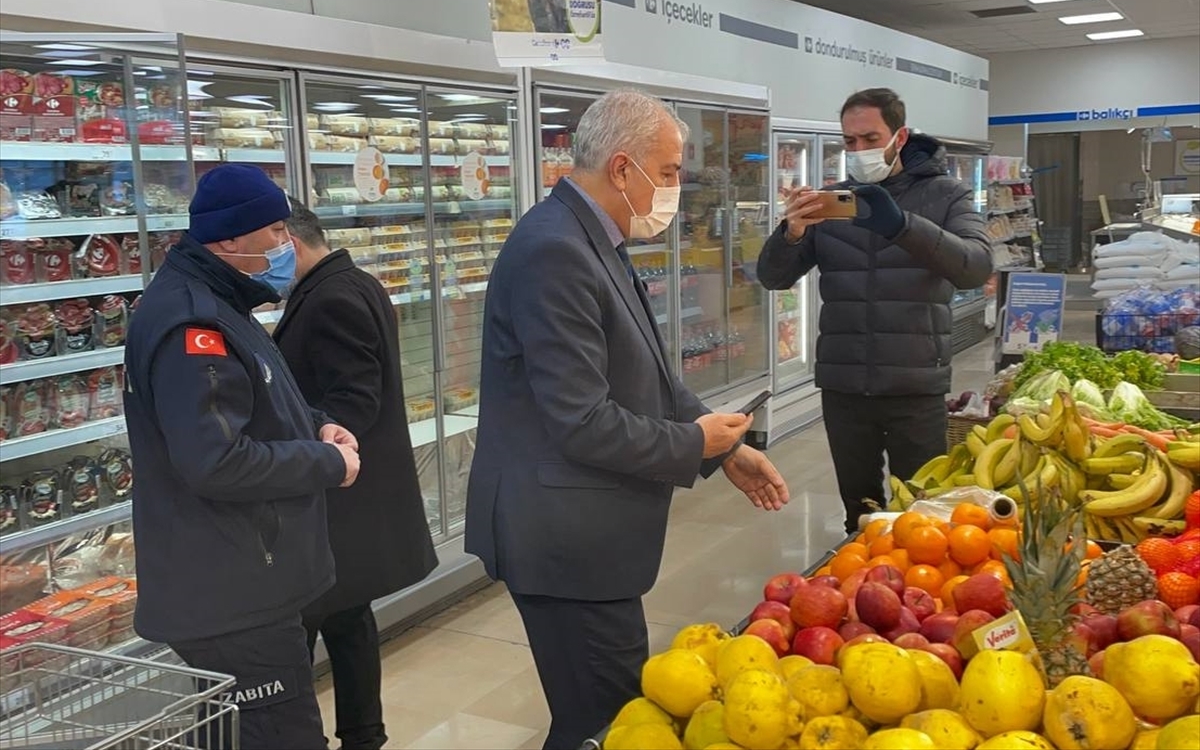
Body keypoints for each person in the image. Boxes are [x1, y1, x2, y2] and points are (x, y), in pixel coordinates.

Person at [465, 88, 791, 750]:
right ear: (622, 168)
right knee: (607, 724)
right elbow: (581, 419)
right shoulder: (555, 250)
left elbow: (648, 374)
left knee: (608, 715)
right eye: (667, 172)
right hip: (563, 542)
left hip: (587, 536)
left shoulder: (593, 238)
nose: (674, 189)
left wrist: (723, 448)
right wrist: (692, 442)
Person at [123, 164, 360, 750]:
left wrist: (318, 424)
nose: (286, 244)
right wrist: (327, 464)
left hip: (241, 579)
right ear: (231, 239)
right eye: (276, 230)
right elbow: (216, 461)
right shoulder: (193, 323)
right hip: (231, 594)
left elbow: (258, 399)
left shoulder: (224, 302)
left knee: (239, 735)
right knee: (281, 737)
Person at [756, 87, 993, 533]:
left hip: (915, 384)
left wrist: (902, 226)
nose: (859, 150)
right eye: (850, 141)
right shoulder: (832, 203)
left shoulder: (947, 194)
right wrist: (790, 232)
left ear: (900, 137)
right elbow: (773, 277)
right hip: (844, 385)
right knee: (860, 512)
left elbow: (975, 267)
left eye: (870, 138)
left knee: (922, 513)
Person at [273, 199, 438, 750]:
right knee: (348, 621)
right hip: (353, 500)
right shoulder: (352, 282)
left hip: (337, 500)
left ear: (289, 241)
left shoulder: (331, 298)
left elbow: (355, 400)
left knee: (300, 628)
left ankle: (305, 738)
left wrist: (304, 442)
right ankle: (364, 736)